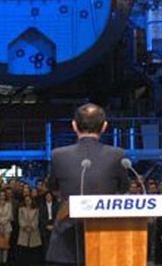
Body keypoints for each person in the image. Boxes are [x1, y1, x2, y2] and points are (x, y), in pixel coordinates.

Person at [45, 103, 130, 265]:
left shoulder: (58, 155)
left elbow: (53, 187)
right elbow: (123, 188)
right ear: (104, 126)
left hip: (66, 241)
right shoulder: (117, 155)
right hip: (105, 238)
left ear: (74, 126)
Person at [17, 195, 42, 264]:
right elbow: (20, 219)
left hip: (33, 231)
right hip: (23, 231)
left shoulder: (36, 209)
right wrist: (25, 226)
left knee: (33, 249)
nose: (27, 202)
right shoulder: (21, 209)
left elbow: (36, 220)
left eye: (29, 200)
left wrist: (32, 226)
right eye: (26, 200)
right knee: (24, 249)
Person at [0, 192, 12, 266]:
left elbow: (9, 215)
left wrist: (3, 223)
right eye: (0, 195)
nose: (2, 196)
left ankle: (4, 262)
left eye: (3, 195)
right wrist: (0, 224)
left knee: (5, 245)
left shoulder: (9, 204)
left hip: (7, 226)